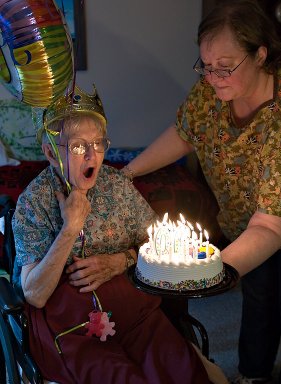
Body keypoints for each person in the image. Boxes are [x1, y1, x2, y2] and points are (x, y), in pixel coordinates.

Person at [122, 0, 281, 384]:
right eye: (207, 67)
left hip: (279, 223)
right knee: (258, 296)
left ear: (261, 55)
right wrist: (127, 172)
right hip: (244, 222)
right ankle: (253, 373)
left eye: (225, 68)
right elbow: (184, 133)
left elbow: (272, 226)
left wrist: (215, 273)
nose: (213, 78)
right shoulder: (211, 91)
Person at [11, 85, 228, 384]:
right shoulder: (32, 202)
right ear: (50, 152)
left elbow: (160, 246)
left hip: (135, 312)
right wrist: (69, 229)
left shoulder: (117, 185)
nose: (93, 156)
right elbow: (34, 295)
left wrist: (122, 259)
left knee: (182, 370)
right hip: (73, 329)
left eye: (99, 144)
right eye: (78, 147)